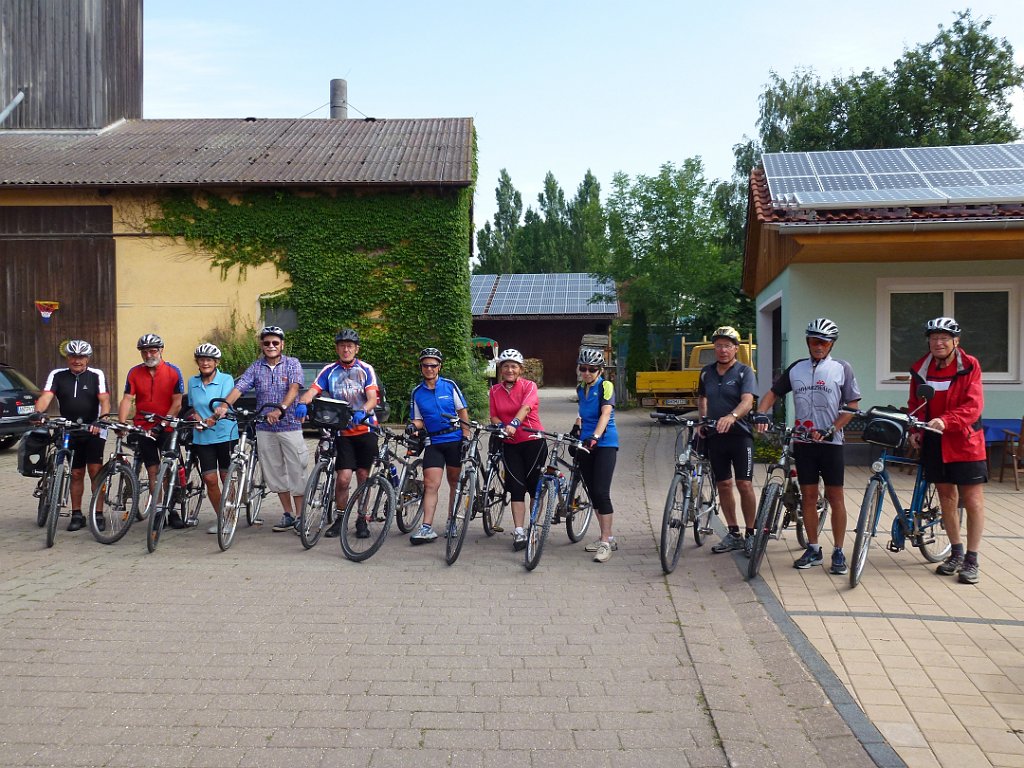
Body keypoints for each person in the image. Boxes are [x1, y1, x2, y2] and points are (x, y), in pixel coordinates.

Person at [755, 318, 860, 574]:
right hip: (803, 443)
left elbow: (852, 407)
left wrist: (831, 429)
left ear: (831, 344)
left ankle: (838, 551)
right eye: (814, 341)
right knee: (809, 498)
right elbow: (772, 393)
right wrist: (761, 413)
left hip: (831, 443)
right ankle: (813, 548)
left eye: (823, 341)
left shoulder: (841, 368)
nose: (818, 345)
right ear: (808, 342)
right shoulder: (797, 369)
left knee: (836, 498)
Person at [909, 317, 987, 585]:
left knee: (973, 501)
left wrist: (947, 421)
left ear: (956, 341)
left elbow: (973, 406)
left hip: (965, 442)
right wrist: (915, 431)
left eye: (944, 338)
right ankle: (955, 552)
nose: (938, 343)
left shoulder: (970, 366)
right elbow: (915, 403)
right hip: (934, 442)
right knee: (946, 498)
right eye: (933, 338)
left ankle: (972, 559)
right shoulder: (921, 368)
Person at [217, 326, 306, 531]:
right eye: (267, 343)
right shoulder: (256, 367)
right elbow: (240, 387)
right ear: (262, 345)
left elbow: (294, 388)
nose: (271, 346)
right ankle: (288, 514)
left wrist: (281, 409)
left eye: (275, 342)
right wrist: (223, 406)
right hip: (265, 428)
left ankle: (301, 515)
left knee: (296, 470)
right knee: (274, 472)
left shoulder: (292, 363)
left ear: (282, 345)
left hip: (290, 425)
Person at [297, 328, 379, 539]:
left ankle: (362, 518)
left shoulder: (365, 369)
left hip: (365, 429)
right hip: (343, 432)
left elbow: (372, 397)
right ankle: (341, 517)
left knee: (363, 476)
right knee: (343, 479)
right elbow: (312, 391)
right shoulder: (329, 370)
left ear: (356, 348)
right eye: (342, 345)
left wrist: (364, 410)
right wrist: (303, 403)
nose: (346, 349)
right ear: (337, 348)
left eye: (350, 346)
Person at [33, 340, 111, 531]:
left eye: (81, 357)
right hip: (69, 428)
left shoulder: (96, 375)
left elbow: (105, 400)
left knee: (95, 471)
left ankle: (98, 513)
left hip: (94, 427)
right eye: (73, 357)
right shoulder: (57, 375)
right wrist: (38, 413)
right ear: (68, 358)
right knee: (76, 473)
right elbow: (46, 396)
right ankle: (77, 514)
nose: (77, 360)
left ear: (88, 358)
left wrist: (102, 419)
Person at [698, 326, 758, 557]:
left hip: (740, 436)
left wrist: (731, 416)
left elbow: (748, 401)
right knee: (724, 484)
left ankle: (751, 533)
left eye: (727, 345)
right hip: (715, 437)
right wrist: (703, 421)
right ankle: (733, 533)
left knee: (744, 484)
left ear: (736, 348)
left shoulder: (744, 372)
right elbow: (702, 397)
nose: (723, 350)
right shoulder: (706, 372)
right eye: (719, 345)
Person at [118, 333, 186, 528]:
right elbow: (126, 399)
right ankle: (157, 511)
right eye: (144, 352)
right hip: (144, 427)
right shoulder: (134, 372)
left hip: (166, 426)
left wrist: (163, 424)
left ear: (161, 350)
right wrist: (122, 423)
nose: (148, 355)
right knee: (152, 470)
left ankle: (171, 509)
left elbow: (177, 403)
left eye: (152, 350)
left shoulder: (173, 372)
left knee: (168, 469)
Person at [407, 348, 471, 544]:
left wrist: (466, 436)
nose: (429, 368)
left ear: (439, 367)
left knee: (454, 483)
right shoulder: (417, 392)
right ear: (421, 368)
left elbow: (462, 411)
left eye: (433, 365)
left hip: (454, 440)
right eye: (425, 365)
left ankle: (451, 520)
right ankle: (426, 527)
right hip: (434, 442)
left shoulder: (449, 386)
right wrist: (412, 426)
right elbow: (418, 420)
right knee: (430, 484)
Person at [488, 349, 546, 551]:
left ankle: (533, 527)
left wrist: (513, 423)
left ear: (520, 369)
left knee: (533, 487)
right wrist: (501, 427)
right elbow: (494, 415)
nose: (509, 370)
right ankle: (519, 530)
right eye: (505, 366)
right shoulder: (494, 390)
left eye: (513, 366)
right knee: (516, 487)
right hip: (510, 444)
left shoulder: (529, 386)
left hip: (532, 441)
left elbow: (526, 407)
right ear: (500, 369)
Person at [185, 344, 240, 534]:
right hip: (202, 436)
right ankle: (222, 517)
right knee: (209, 478)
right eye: (201, 359)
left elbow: (225, 405)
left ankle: (232, 515)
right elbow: (191, 406)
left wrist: (213, 418)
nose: (205, 363)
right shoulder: (192, 382)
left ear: (216, 362)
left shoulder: (226, 379)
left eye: (209, 360)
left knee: (226, 476)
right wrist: (196, 417)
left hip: (225, 434)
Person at [574, 349, 620, 563]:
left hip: (605, 443)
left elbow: (606, 413)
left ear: (600, 370)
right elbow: (582, 414)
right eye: (583, 369)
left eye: (592, 369)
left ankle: (605, 543)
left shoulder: (605, 386)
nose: (587, 373)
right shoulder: (580, 388)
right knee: (592, 492)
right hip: (586, 443)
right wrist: (576, 430)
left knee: (602, 491)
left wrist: (595, 436)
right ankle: (607, 536)